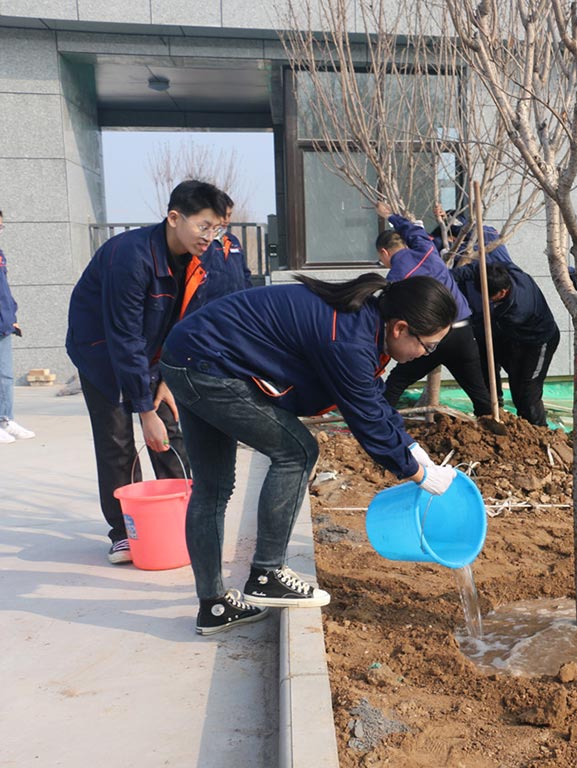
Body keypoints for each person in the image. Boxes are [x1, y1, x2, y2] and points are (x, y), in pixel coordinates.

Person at [159, 272, 459, 635]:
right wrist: (420, 475)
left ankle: (213, 605)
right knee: (297, 452)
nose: (426, 354)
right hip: (208, 366)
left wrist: (413, 449)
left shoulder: (364, 322)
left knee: (212, 488)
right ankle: (267, 574)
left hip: (187, 354)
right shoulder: (348, 339)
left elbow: (371, 396)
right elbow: (368, 423)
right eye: (428, 346)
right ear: (400, 329)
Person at [66, 181, 243, 565]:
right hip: (101, 350)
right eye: (203, 226)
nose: (210, 237)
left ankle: (185, 520)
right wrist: (144, 410)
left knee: (172, 430)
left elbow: (191, 324)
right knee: (117, 439)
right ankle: (124, 531)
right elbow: (124, 336)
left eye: (216, 228)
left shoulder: (203, 259)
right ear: (174, 218)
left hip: (154, 349)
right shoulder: (129, 257)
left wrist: (166, 379)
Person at [373, 201, 494, 416]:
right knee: (478, 392)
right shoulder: (427, 250)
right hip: (463, 331)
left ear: (384, 252)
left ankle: (378, 421)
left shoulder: (396, 278)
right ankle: (491, 425)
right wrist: (390, 215)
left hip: (429, 337)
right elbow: (413, 230)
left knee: (397, 382)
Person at [454, 260, 560, 426]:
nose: (485, 300)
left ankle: (538, 429)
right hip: (518, 339)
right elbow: (478, 267)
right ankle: (498, 408)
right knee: (514, 381)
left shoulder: (516, 310)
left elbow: (487, 324)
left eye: (489, 297)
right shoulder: (510, 271)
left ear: (502, 292)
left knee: (528, 390)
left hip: (540, 341)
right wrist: (449, 276)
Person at [0, 208, 35, 444]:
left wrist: (11, 314)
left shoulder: (0, 255)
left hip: (3, 323)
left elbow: (4, 289)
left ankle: (5, 419)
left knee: (5, 375)